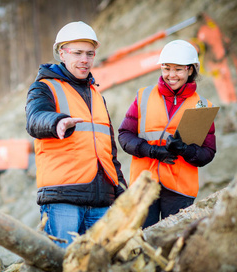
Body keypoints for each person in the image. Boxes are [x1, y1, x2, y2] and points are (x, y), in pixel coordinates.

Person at [25, 21, 127, 248]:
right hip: (63, 200)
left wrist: (120, 188)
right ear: (62, 52)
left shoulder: (97, 95)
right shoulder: (43, 87)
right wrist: (57, 121)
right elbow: (35, 119)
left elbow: (108, 151)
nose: (85, 60)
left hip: (101, 201)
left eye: (90, 54)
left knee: (96, 270)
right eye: (78, 53)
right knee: (63, 268)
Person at [118, 39, 216, 229]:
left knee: (173, 245)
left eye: (178, 69)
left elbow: (208, 152)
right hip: (144, 186)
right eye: (166, 68)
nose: (171, 75)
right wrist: (152, 151)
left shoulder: (201, 106)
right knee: (143, 245)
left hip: (180, 191)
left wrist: (185, 150)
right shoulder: (143, 96)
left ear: (190, 70)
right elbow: (124, 136)